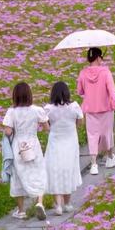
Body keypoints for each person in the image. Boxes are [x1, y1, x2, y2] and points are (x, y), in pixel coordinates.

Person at [2, 82, 49, 220]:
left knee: (18, 176)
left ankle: (21, 210)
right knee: (39, 172)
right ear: (29, 94)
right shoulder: (36, 110)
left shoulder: (12, 112)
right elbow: (46, 128)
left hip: (19, 146)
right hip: (33, 144)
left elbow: (8, 131)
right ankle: (39, 203)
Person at [77, 47, 115, 175]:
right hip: (106, 109)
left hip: (90, 109)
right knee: (107, 133)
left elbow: (80, 91)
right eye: (101, 57)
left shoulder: (83, 73)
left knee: (92, 135)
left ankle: (94, 164)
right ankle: (110, 157)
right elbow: (112, 91)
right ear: (98, 58)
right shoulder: (105, 72)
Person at [44, 80, 83, 215]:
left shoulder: (49, 109)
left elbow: (46, 126)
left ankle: (58, 205)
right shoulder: (74, 106)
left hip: (55, 142)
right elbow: (80, 121)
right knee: (69, 170)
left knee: (55, 171)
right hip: (71, 142)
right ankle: (67, 203)